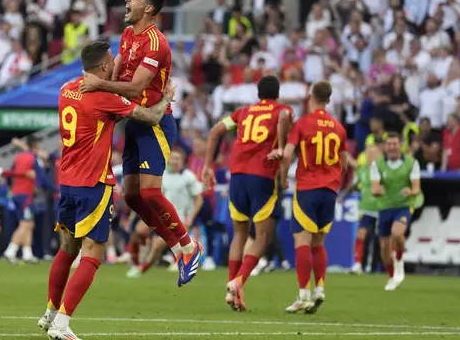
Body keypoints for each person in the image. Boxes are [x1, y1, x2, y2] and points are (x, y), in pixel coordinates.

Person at [39, 41, 176, 340]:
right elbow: (151, 118)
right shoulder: (104, 98)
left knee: (67, 248)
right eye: (113, 60)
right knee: (92, 255)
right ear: (103, 67)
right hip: (94, 183)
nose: (116, 64)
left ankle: (50, 312)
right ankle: (62, 324)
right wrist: (166, 98)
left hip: (68, 181)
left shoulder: (65, 88)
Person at [79, 0, 203, 286]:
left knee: (149, 192)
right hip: (135, 121)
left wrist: (99, 85)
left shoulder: (156, 42)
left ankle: (189, 246)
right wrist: (101, 79)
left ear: (148, 7)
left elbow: (135, 87)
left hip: (156, 124)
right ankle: (178, 250)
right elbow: (119, 73)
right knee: (132, 196)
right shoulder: (127, 34)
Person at [202, 75, 293, 311]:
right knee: (263, 236)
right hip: (262, 176)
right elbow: (285, 126)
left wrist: (207, 167)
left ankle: (231, 292)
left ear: (258, 94)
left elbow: (213, 132)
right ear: (277, 93)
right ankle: (238, 281)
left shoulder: (242, 113)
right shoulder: (283, 111)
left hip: (237, 176)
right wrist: (283, 177)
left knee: (239, 234)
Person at [281, 80, 355, 314]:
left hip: (307, 187)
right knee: (318, 242)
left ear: (311, 97)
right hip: (329, 190)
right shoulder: (339, 127)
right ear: (329, 100)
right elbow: (344, 163)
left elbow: (287, 154)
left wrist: (283, 176)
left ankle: (303, 294)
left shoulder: (303, 123)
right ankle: (320, 288)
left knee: (302, 241)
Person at [127, 150, 203, 278]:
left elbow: (199, 199)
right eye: (172, 158)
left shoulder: (188, 177)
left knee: (158, 245)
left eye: (177, 159)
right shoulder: (162, 175)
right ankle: (135, 262)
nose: (174, 161)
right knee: (138, 230)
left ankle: (143, 269)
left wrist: (191, 217)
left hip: (180, 216)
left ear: (182, 161)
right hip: (160, 213)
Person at [371, 133, 423, 291]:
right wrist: (378, 190)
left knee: (397, 232)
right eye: (389, 144)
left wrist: (411, 192)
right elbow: (374, 188)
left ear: (400, 145)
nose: (392, 147)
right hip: (385, 208)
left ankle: (399, 260)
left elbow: (416, 187)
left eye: (395, 143)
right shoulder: (377, 164)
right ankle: (393, 276)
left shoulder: (411, 163)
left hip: (403, 206)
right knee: (384, 250)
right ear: (385, 147)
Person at [3, 136, 56, 264]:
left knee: (29, 223)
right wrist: (57, 189)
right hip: (26, 195)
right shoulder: (33, 158)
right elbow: (42, 177)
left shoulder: (18, 157)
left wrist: (13, 187)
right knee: (25, 224)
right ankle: (10, 251)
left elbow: (11, 174)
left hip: (16, 193)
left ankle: (27, 253)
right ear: (35, 147)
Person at [341, 144, 383, 274]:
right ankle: (357, 264)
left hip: (381, 209)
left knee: (380, 238)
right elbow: (354, 184)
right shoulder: (362, 170)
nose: (369, 156)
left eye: (372, 153)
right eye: (368, 154)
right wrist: (342, 196)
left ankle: (379, 266)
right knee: (361, 235)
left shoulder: (383, 171)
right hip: (366, 208)